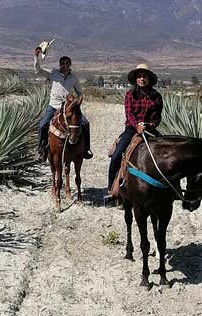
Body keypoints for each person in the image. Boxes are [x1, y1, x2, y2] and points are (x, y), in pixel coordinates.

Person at [105, 63, 163, 202]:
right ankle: (111, 190)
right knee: (116, 156)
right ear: (136, 79)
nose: (142, 79)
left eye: (145, 76)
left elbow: (157, 117)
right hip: (131, 129)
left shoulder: (156, 96)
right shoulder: (130, 94)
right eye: (140, 76)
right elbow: (129, 114)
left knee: (166, 154)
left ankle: (171, 189)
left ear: (149, 79)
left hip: (150, 130)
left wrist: (148, 125)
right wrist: (137, 126)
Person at [34, 48, 93, 160]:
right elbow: (38, 70)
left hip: (68, 107)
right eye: (62, 63)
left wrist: (79, 102)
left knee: (85, 123)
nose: (64, 65)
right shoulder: (53, 73)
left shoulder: (73, 77)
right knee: (42, 125)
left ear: (70, 65)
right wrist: (36, 57)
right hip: (54, 106)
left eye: (67, 63)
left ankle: (86, 149)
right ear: (60, 65)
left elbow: (80, 92)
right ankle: (40, 149)